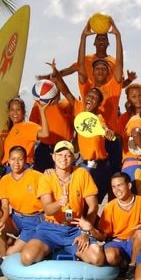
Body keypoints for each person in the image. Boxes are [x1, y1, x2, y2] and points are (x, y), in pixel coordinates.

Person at [20, 140, 105, 266]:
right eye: (59, 155)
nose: (63, 158)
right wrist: (60, 203)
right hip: (51, 229)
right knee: (27, 258)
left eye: (67, 155)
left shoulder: (82, 173)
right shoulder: (47, 176)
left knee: (97, 258)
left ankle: (70, 248)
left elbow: (93, 206)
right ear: (53, 157)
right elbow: (48, 209)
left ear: (73, 158)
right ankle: (52, 249)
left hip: (75, 228)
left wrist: (85, 231)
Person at [50, 59, 115, 204]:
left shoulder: (99, 118)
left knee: (94, 201)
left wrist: (107, 132)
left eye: (95, 98)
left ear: (98, 104)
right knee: (82, 201)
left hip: (100, 165)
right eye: (89, 96)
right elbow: (65, 91)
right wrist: (56, 73)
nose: (90, 98)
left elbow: (104, 129)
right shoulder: (79, 108)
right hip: (83, 163)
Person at [77, 17, 124, 175]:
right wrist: (83, 37)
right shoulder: (87, 88)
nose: (100, 70)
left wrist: (118, 36)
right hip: (92, 140)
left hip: (111, 138)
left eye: (104, 68)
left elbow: (119, 65)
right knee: (93, 185)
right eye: (97, 67)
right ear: (93, 72)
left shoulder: (113, 87)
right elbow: (81, 65)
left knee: (116, 180)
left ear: (108, 72)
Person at [83, 172, 141, 280]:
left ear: (129, 186)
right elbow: (103, 235)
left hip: (135, 241)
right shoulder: (110, 206)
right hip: (117, 241)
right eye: (113, 187)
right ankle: (124, 265)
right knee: (110, 256)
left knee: (140, 233)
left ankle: (132, 266)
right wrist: (90, 229)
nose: (116, 190)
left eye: (119, 185)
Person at [0, 145, 44, 256]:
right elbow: (4, 206)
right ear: (8, 161)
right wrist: (2, 221)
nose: (16, 162)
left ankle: (8, 256)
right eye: (13, 159)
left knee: (11, 252)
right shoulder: (4, 180)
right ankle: (3, 260)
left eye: (20, 159)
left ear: (25, 161)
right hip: (16, 218)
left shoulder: (36, 176)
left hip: (34, 220)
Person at [29, 84, 74, 172]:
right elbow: (32, 129)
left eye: (56, 84)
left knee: (64, 180)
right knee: (40, 179)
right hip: (44, 149)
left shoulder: (68, 104)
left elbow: (77, 126)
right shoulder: (38, 105)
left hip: (64, 148)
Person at [0, 96, 49, 173]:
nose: (15, 113)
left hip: (20, 168)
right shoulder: (9, 130)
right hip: (6, 169)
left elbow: (45, 133)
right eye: (12, 110)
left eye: (18, 110)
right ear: (9, 112)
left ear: (23, 112)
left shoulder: (27, 126)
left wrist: (42, 112)